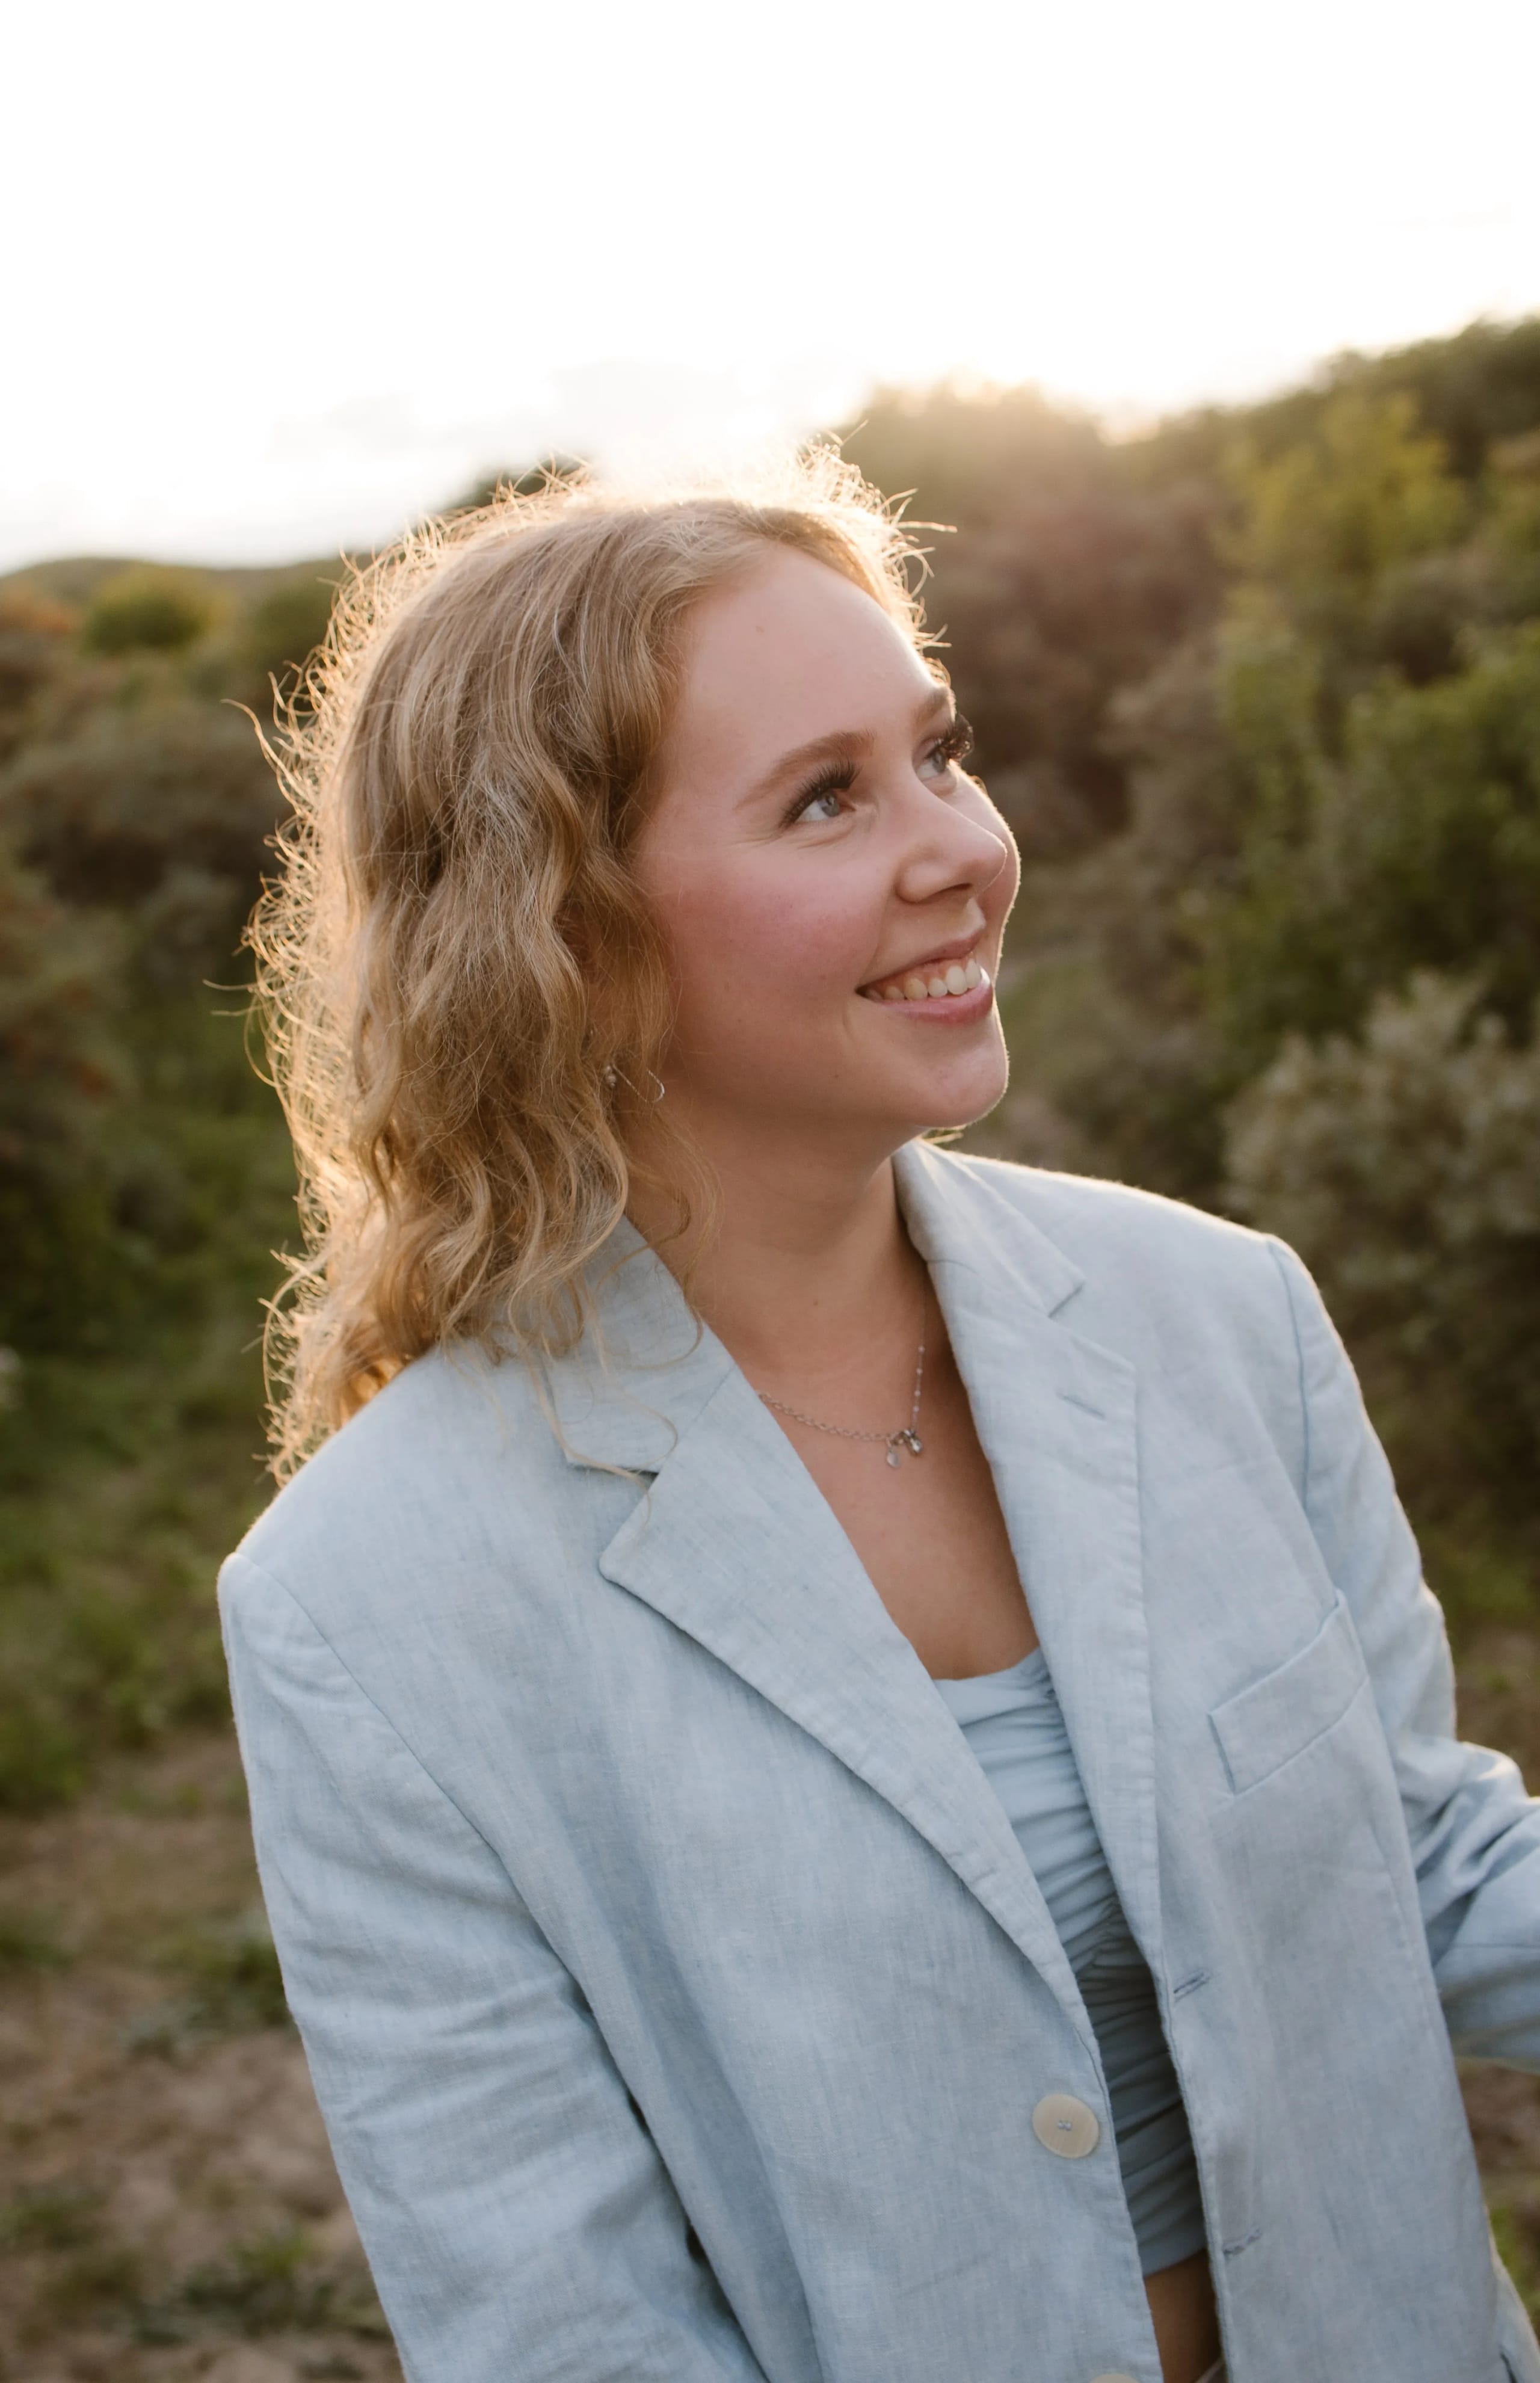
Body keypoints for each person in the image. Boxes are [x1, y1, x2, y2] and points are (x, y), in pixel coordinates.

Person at [220, 455, 1540, 2383]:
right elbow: (560, 2326)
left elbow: (1417, 1863)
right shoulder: (362, 1606)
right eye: (827, 798)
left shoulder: (1222, 1314)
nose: (965, 851)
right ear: (567, 933)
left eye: (940, 753)